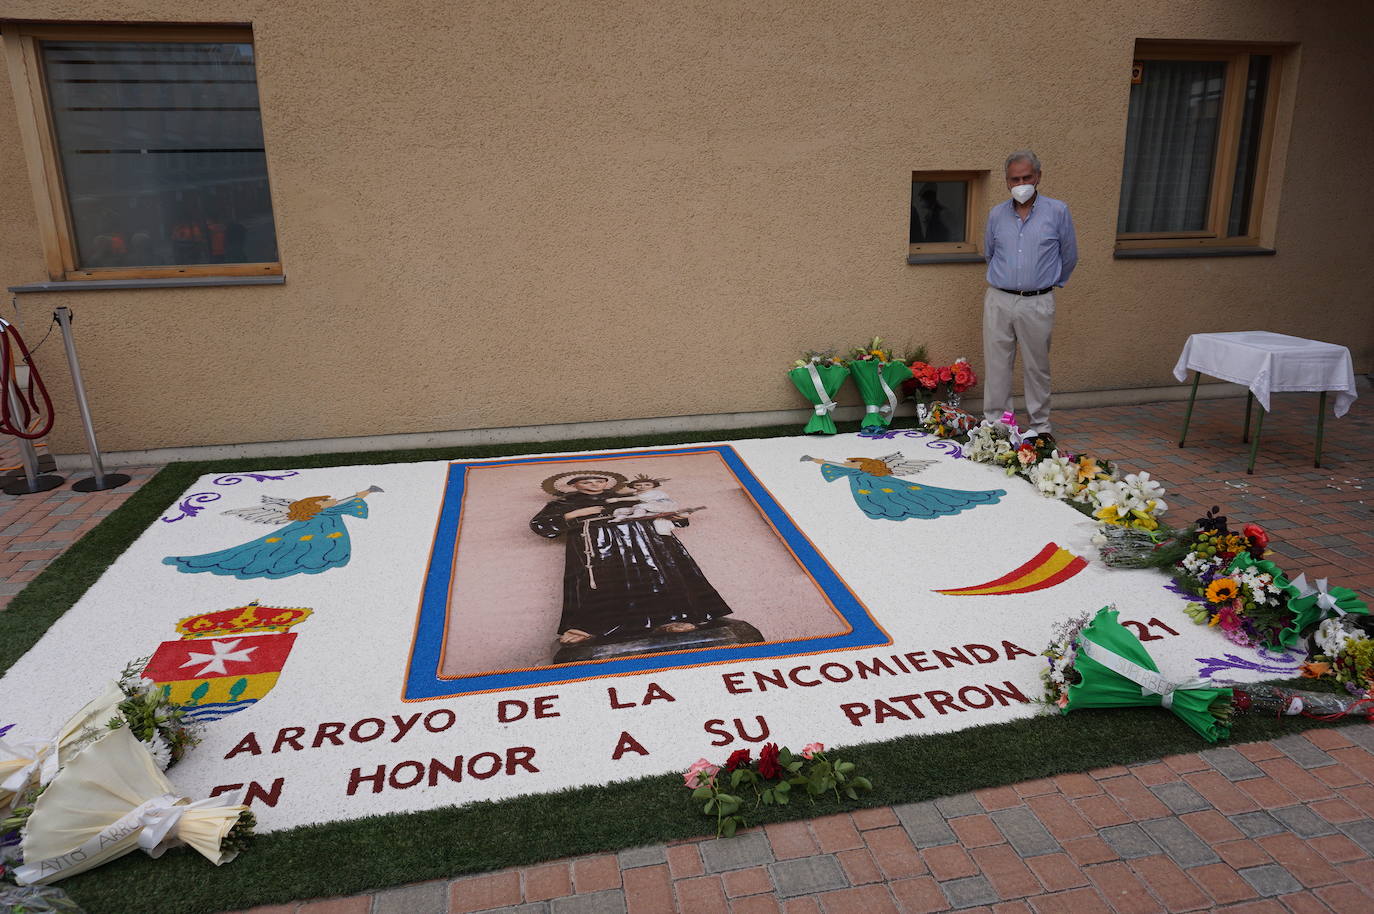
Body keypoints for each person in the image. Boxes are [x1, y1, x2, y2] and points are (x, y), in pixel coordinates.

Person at [530, 472, 733, 645]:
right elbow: (541, 525)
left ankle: (669, 618)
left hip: (643, 543)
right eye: (587, 482)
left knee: (654, 576)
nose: (594, 485)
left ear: (607, 483)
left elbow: (659, 509)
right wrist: (577, 513)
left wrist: (676, 517)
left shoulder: (633, 497)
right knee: (598, 584)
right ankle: (588, 627)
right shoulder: (563, 503)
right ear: (573, 485)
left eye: (599, 481)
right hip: (598, 546)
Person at [982, 150, 1077, 441]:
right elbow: (990, 253)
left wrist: (1047, 284)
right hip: (999, 298)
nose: (1021, 183)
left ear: (1038, 176)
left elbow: (1069, 255)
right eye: (1015, 179)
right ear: (1006, 181)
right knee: (997, 364)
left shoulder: (1057, 211)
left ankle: (1041, 425)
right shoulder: (997, 214)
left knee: (1037, 366)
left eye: (1026, 177)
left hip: (1037, 300)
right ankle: (998, 425)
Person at [163, 487, 380, 579]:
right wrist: (366, 492)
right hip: (314, 531)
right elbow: (344, 501)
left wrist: (368, 491)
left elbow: (346, 500)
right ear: (313, 505)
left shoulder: (330, 510)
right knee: (275, 548)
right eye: (324, 500)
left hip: (327, 530)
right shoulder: (318, 514)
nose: (330, 501)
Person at [802, 454, 1004, 520]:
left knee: (912, 496)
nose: (849, 462)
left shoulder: (859, 467)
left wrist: (814, 460)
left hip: (872, 486)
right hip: (870, 484)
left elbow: (837, 465)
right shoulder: (863, 469)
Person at [607, 474, 681, 535]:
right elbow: (631, 494)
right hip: (651, 507)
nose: (643, 487)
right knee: (620, 510)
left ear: (653, 486)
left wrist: (617, 499)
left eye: (647, 485)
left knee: (639, 506)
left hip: (663, 505)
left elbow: (636, 498)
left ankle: (638, 515)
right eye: (638, 485)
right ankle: (619, 517)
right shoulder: (639, 492)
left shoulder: (653, 492)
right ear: (633, 486)